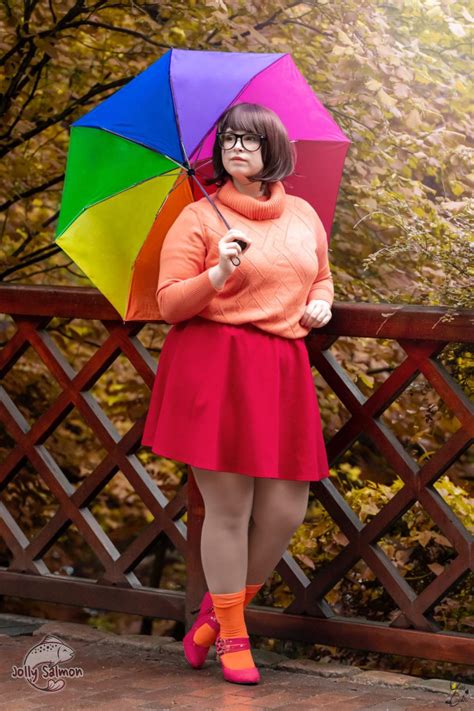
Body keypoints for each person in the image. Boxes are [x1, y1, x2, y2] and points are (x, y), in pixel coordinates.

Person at [142, 102, 333, 685]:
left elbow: (320, 272)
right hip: (215, 365)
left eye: (250, 140)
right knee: (229, 509)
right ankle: (232, 634)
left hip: (281, 367)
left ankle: (214, 615)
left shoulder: (302, 213)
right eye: (229, 139)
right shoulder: (199, 219)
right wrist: (218, 274)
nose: (237, 148)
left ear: (274, 149)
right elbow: (169, 302)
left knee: (284, 509)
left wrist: (321, 301)